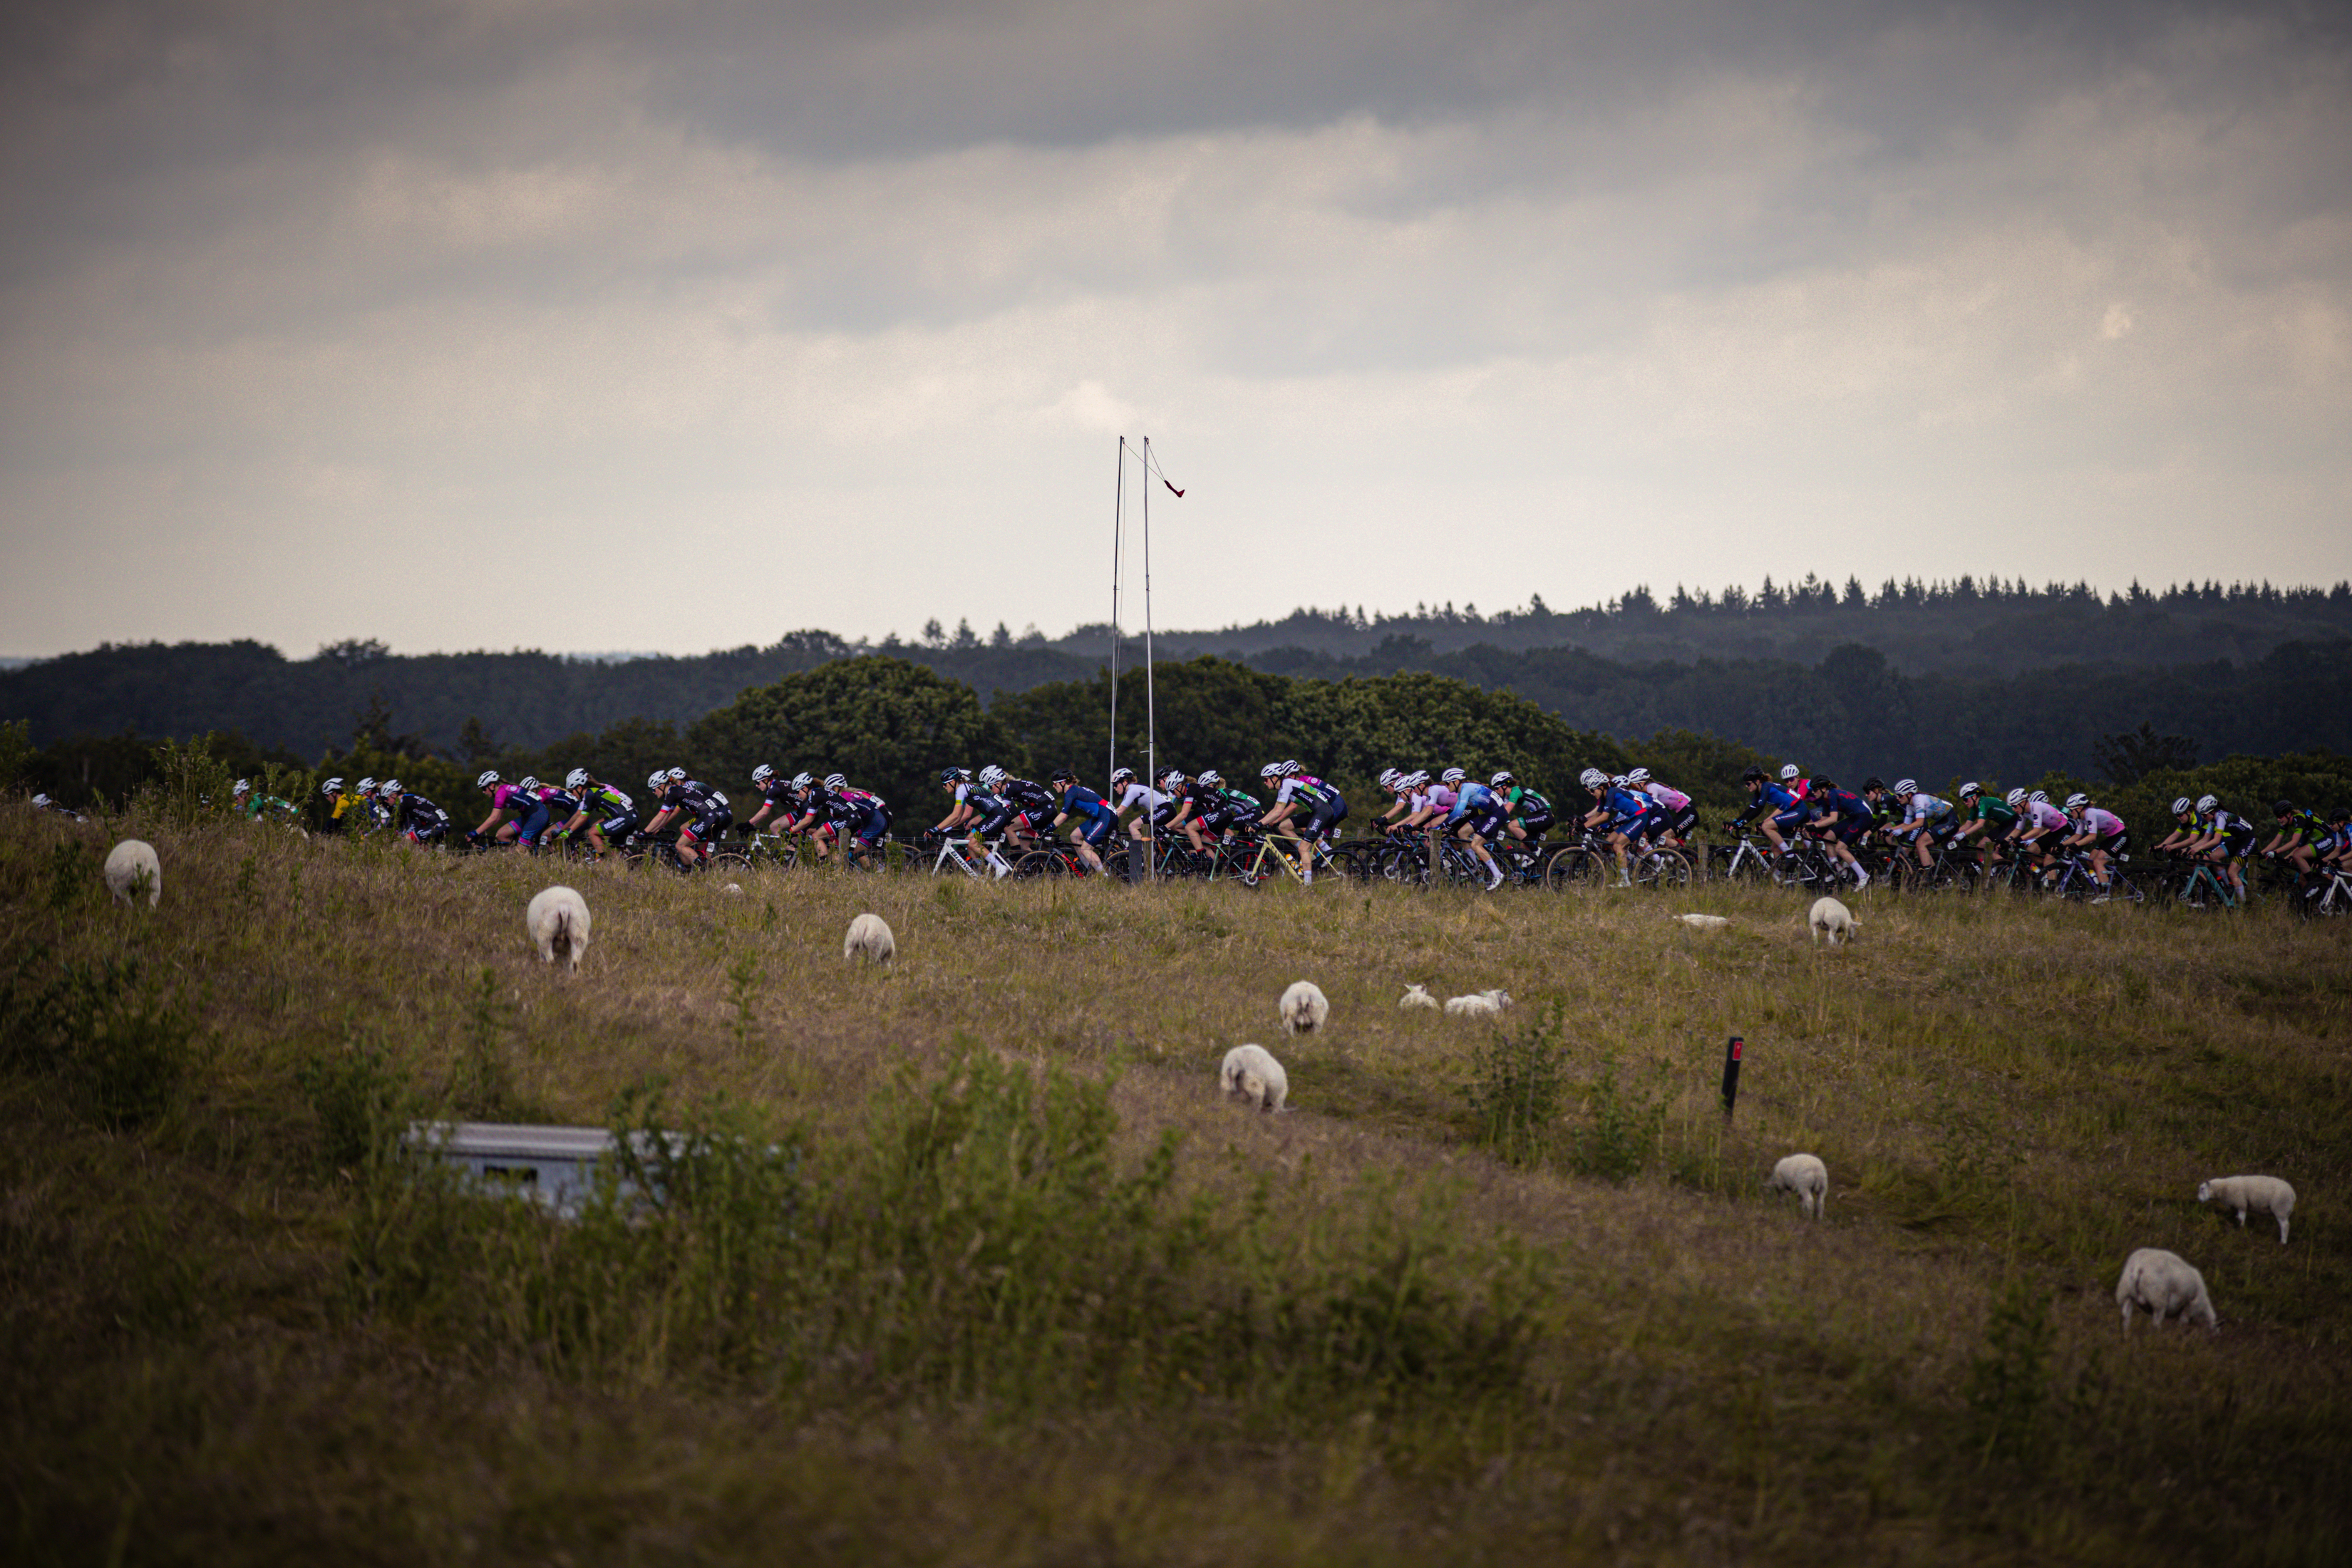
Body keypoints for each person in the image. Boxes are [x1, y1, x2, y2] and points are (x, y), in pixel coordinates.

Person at [1257, 760, 1346, 882]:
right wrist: (1262, 822)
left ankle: (1307, 884)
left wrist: (1260, 824)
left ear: (1274, 778)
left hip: (1323, 811)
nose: (1264, 783)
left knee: (1304, 847)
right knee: (1284, 826)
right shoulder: (1285, 786)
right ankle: (1309, 853)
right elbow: (1276, 809)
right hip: (1317, 811)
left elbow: (1279, 811)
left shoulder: (1287, 783)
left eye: (1266, 780)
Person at [639, 767, 732, 869]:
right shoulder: (675, 791)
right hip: (710, 815)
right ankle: (690, 873)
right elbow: (665, 817)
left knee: (680, 845)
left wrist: (644, 832)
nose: (653, 792)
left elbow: (660, 816)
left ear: (661, 786)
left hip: (708, 816)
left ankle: (703, 870)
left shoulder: (672, 792)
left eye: (653, 789)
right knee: (684, 848)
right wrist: (655, 829)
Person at [1442, 768, 1508, 890]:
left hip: (1498, 814)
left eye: (1447, 783)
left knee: (1476, 844)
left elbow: (1458, 813)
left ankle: (1498, 875)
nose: (1445, 786)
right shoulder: (1462, 793)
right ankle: (1475, 865)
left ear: (1456, 782)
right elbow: (1455, 812)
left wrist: (1441, 826)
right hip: (1490, 814)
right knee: (1462, 832)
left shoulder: (1467, 789)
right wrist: (1446, 824)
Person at [549, 768, 639, 857]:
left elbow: (582, 818)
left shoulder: (589, 794)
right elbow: (578, 815)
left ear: (579, 788)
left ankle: (606, 860)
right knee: (599, 832)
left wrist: (568, 832)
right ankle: (616, 860)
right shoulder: (594, 791)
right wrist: (563, 830)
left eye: (571, 791)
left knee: (592, 832)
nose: (571, 794)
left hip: (625, 818)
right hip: (628, 816)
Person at [1803, 776, 1874, 888]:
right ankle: (1838, 869)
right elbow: (1823, 820)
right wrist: (1806, 826)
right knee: (1828, 837)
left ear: (1823, 789)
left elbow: (1833, 819)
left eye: (1815, 790)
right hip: (1854, 817)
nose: (1813, 792)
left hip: (1864, 817)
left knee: (1840, 848)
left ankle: (1863, 876)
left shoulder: (1832, 794)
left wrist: (1814, 826)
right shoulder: (1825, 799)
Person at [2060, 792, 2129, 899]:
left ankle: (2105, 894)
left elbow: (2092, 837)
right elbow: (2077, 836)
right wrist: (2061, 845)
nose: (2070, 812)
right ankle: (2106, 881)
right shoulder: (2081, 818)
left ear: (2079, 809)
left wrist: (2075, 845)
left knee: (2098, 861)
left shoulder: (2090, 813)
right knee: (2091, 859)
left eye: (2071, 810)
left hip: (2122, 836)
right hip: (2112, 837)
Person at [1047, 768, 1115, 874]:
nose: (1053, 786)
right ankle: (1089, 871)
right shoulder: (1074, 791)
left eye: (1055, 784)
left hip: (1107, 816)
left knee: (1086, 848)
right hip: (1102, 816)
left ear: (1063, 782)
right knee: (1074, 836)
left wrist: (1048, 829)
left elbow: (1064, 816)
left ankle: (1104, 878)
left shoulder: (1071, 792)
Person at [1728, 765, 1802, 855]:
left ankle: (1789, 855)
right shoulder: (1758, 791)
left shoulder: (1766, 787)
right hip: (1788, 812)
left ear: (1757, 782)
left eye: (1748, 784)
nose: (1746, 786)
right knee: (1774, 848)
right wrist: (1735, 822)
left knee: (1766, 827)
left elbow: (1759, 810)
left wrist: (1741, 824)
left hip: (1796, 811)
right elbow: (1751, 809)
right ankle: (1777, 869)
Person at [1886, 778, 1955, 872]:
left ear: (1909, 794)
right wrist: (1890, 830)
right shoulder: (1910, 806)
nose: (1897, 797)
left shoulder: (1918, 800)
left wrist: (1902, 830)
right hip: (1941, 821)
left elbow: (1919, 823)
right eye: (1896, 795)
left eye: (1900, 795)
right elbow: (1906, 824)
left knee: (1920, 843)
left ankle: (1928, 874)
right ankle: (1936, 874)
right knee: (1920, 848)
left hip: (1950, 820)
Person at [469, 770, 546, 847]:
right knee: (501, 835)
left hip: (537, 816)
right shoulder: (503, 791)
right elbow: (497, 818)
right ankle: (513, 854)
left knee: (521, 852)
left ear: (492, 786)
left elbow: (494, 817)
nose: (483, 792)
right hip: (529, 816)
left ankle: (521, 854)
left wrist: (475, 832)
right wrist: (481, 834)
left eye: (484, 789)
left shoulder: (501, 792)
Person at [2261, 799, 2333, 880]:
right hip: (2319, 842)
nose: (2278, 819)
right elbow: (2276, 841)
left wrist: (2275, 852)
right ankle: (2312, 887)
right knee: (2302, 880)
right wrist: (2262, 853)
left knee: (2297, 855)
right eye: (2277, 817)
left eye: (2280, 816)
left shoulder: (2299, 819)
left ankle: (2313, 884)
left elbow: (2294, 842)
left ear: (2288, 814)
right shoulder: (2286, 823)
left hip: (2329, 839)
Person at [383, 778, 451, 847]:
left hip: (437, 826)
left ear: (394, 795)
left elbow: (394, 821)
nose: (386, 801)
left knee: (404, 842)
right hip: (443, 825)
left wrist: (384, 834)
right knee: (423, 848)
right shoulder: (409, 798)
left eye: (386, 798)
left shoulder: (403, 802)